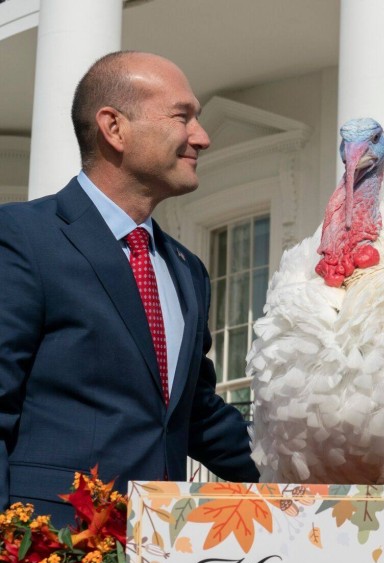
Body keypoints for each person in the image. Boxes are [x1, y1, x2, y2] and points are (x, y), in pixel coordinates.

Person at [0, 51, 258, 526]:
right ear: (114, 128)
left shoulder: (187, 270)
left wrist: (309, 475)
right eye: (183, 117)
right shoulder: (21, 237)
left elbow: (195, 414)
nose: (202, 137)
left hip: (160, 555)